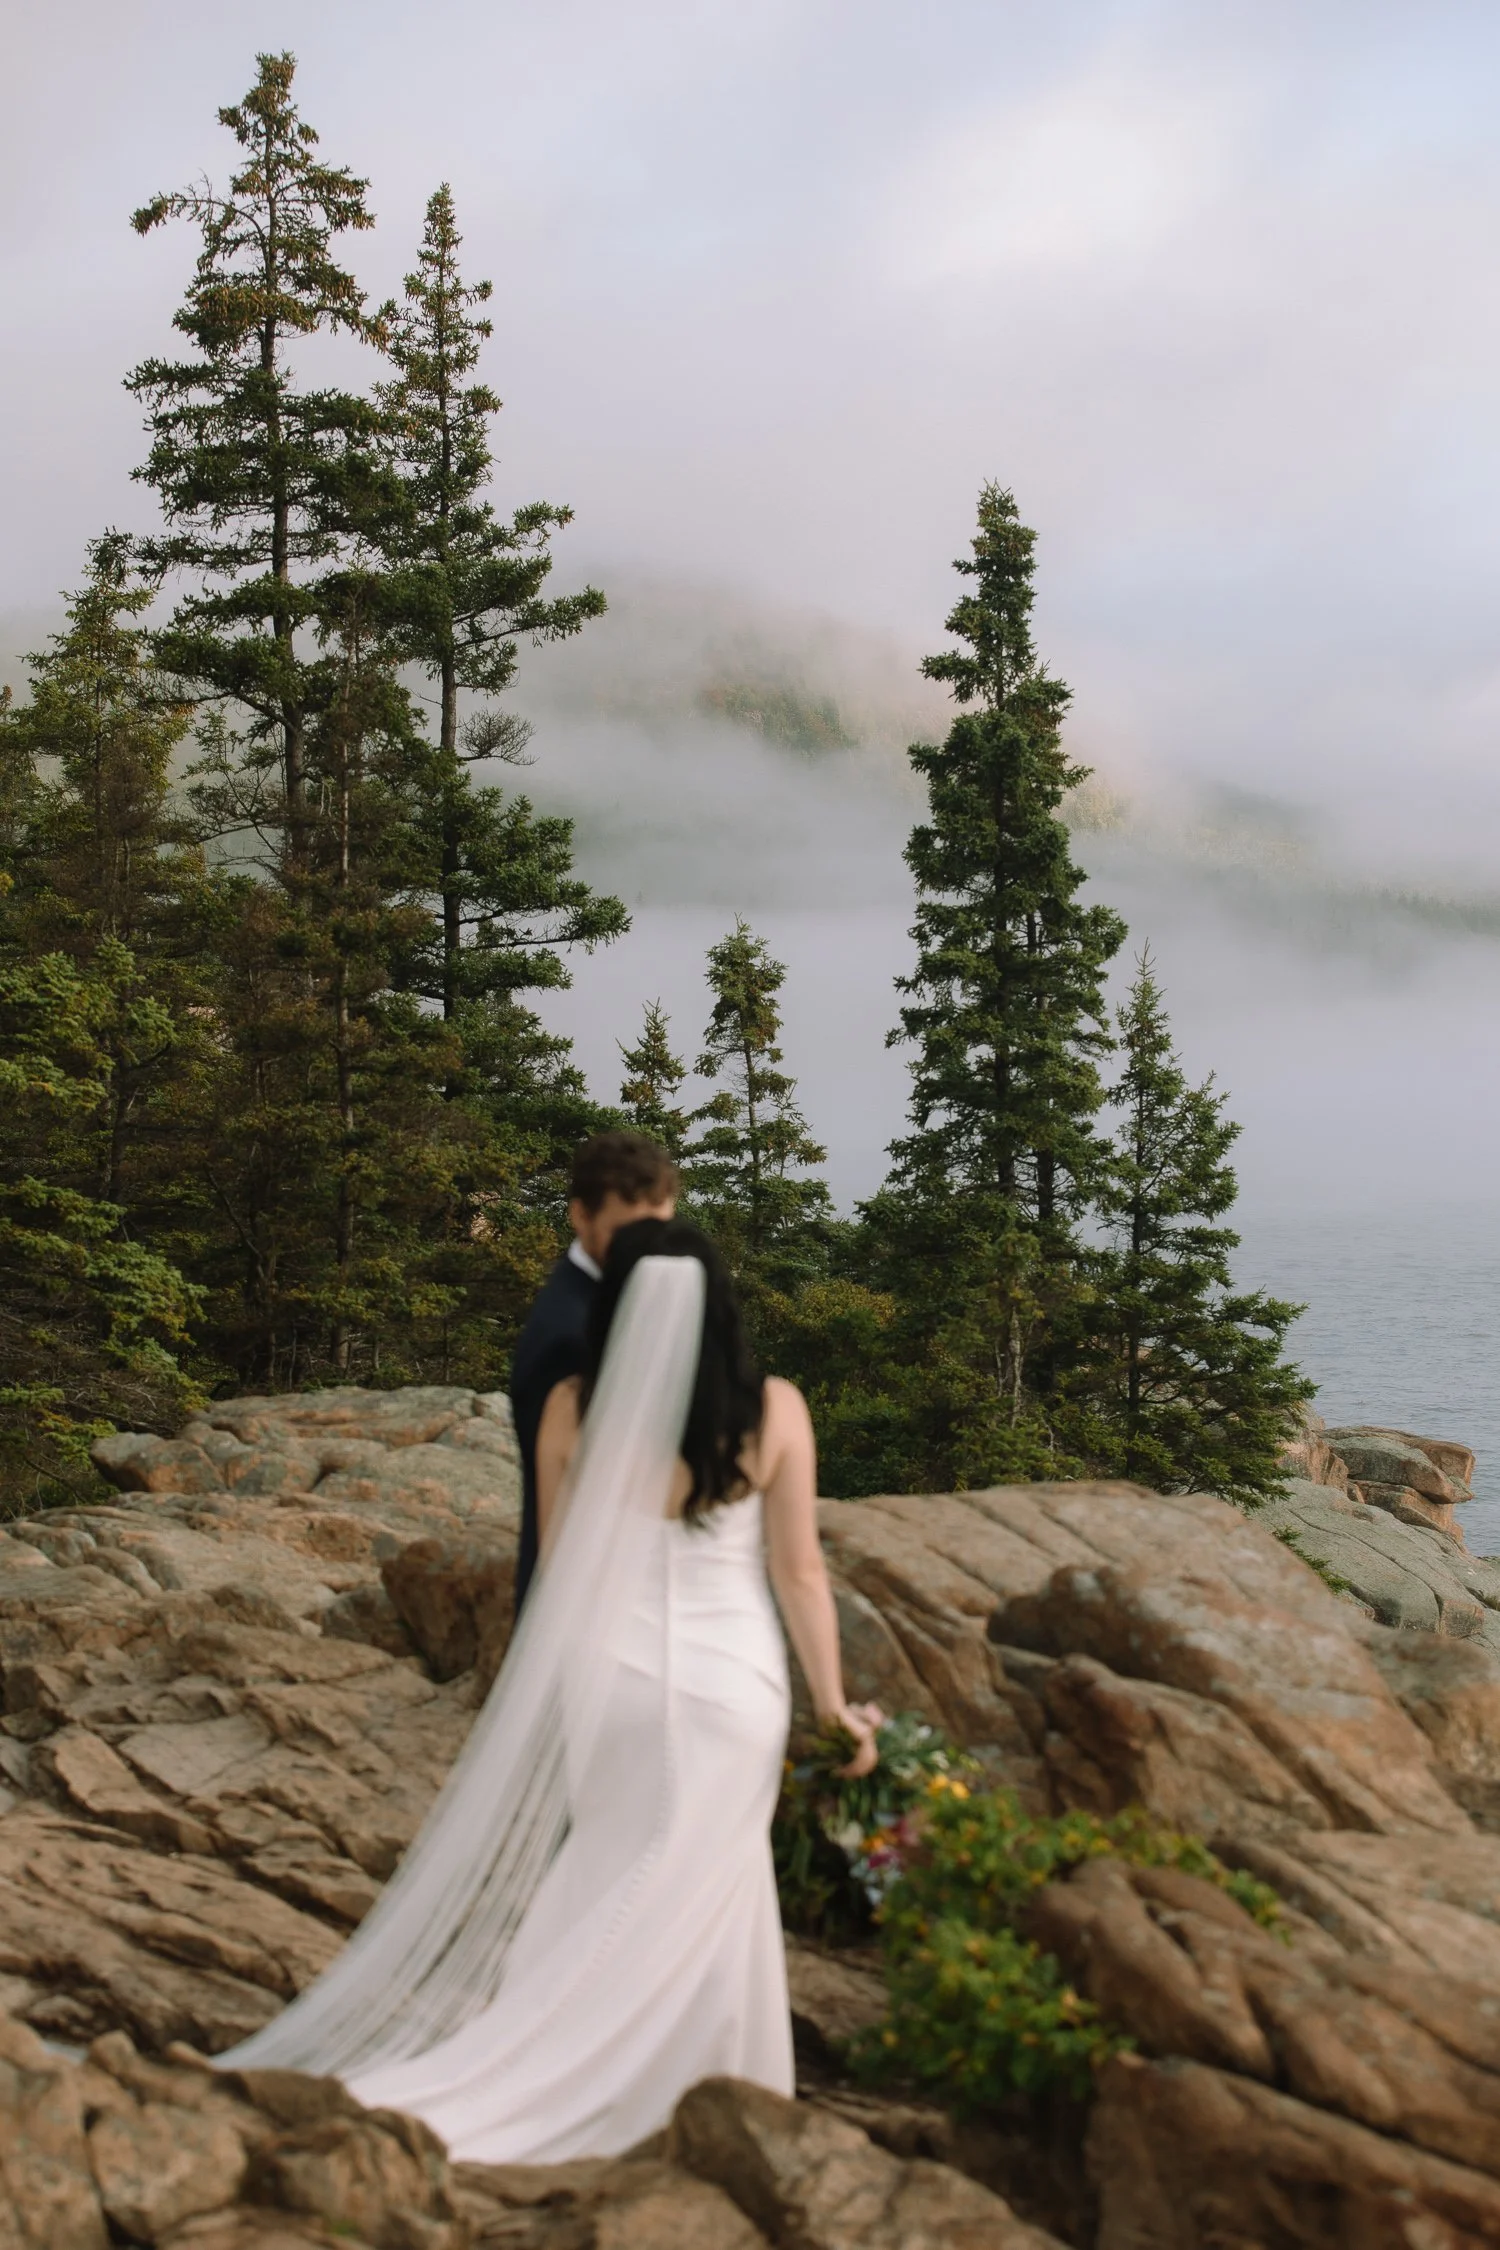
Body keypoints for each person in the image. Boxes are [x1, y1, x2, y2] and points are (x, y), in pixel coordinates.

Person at [214, 1219, 882, 2166]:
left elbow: (566, 1564)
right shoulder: (773, 1410)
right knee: (705, 1874)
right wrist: (833, 1704)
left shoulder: (574, 1406)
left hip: (609, 1675)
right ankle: (666, 2076)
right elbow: (801, 1572)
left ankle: (616, 2058)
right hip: (733, 1687)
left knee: (616, 1859)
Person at [509, 1131, 678, 1615]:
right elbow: (562, 1493)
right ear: (580, 1215)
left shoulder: (627, 1287)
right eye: (628, 1232)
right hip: (584, 1598)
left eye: (658, 1229)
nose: (648, 1249)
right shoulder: (566, 1335)